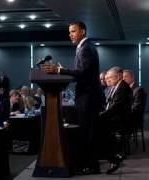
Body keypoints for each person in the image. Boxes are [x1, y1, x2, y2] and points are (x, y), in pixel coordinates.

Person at [41, 21, 104, 174]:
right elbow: (82, 72)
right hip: (87, 96)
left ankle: (91, 166)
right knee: (87, 132)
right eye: (69, 32)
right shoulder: (83, 47)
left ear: (82, 31)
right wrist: (63, 70)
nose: (70, 34)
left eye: (73, 31)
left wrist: (59, 70)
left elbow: (82, 73)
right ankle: (87, 163)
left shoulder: (86, 48)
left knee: (88, 133)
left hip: (88, 97)